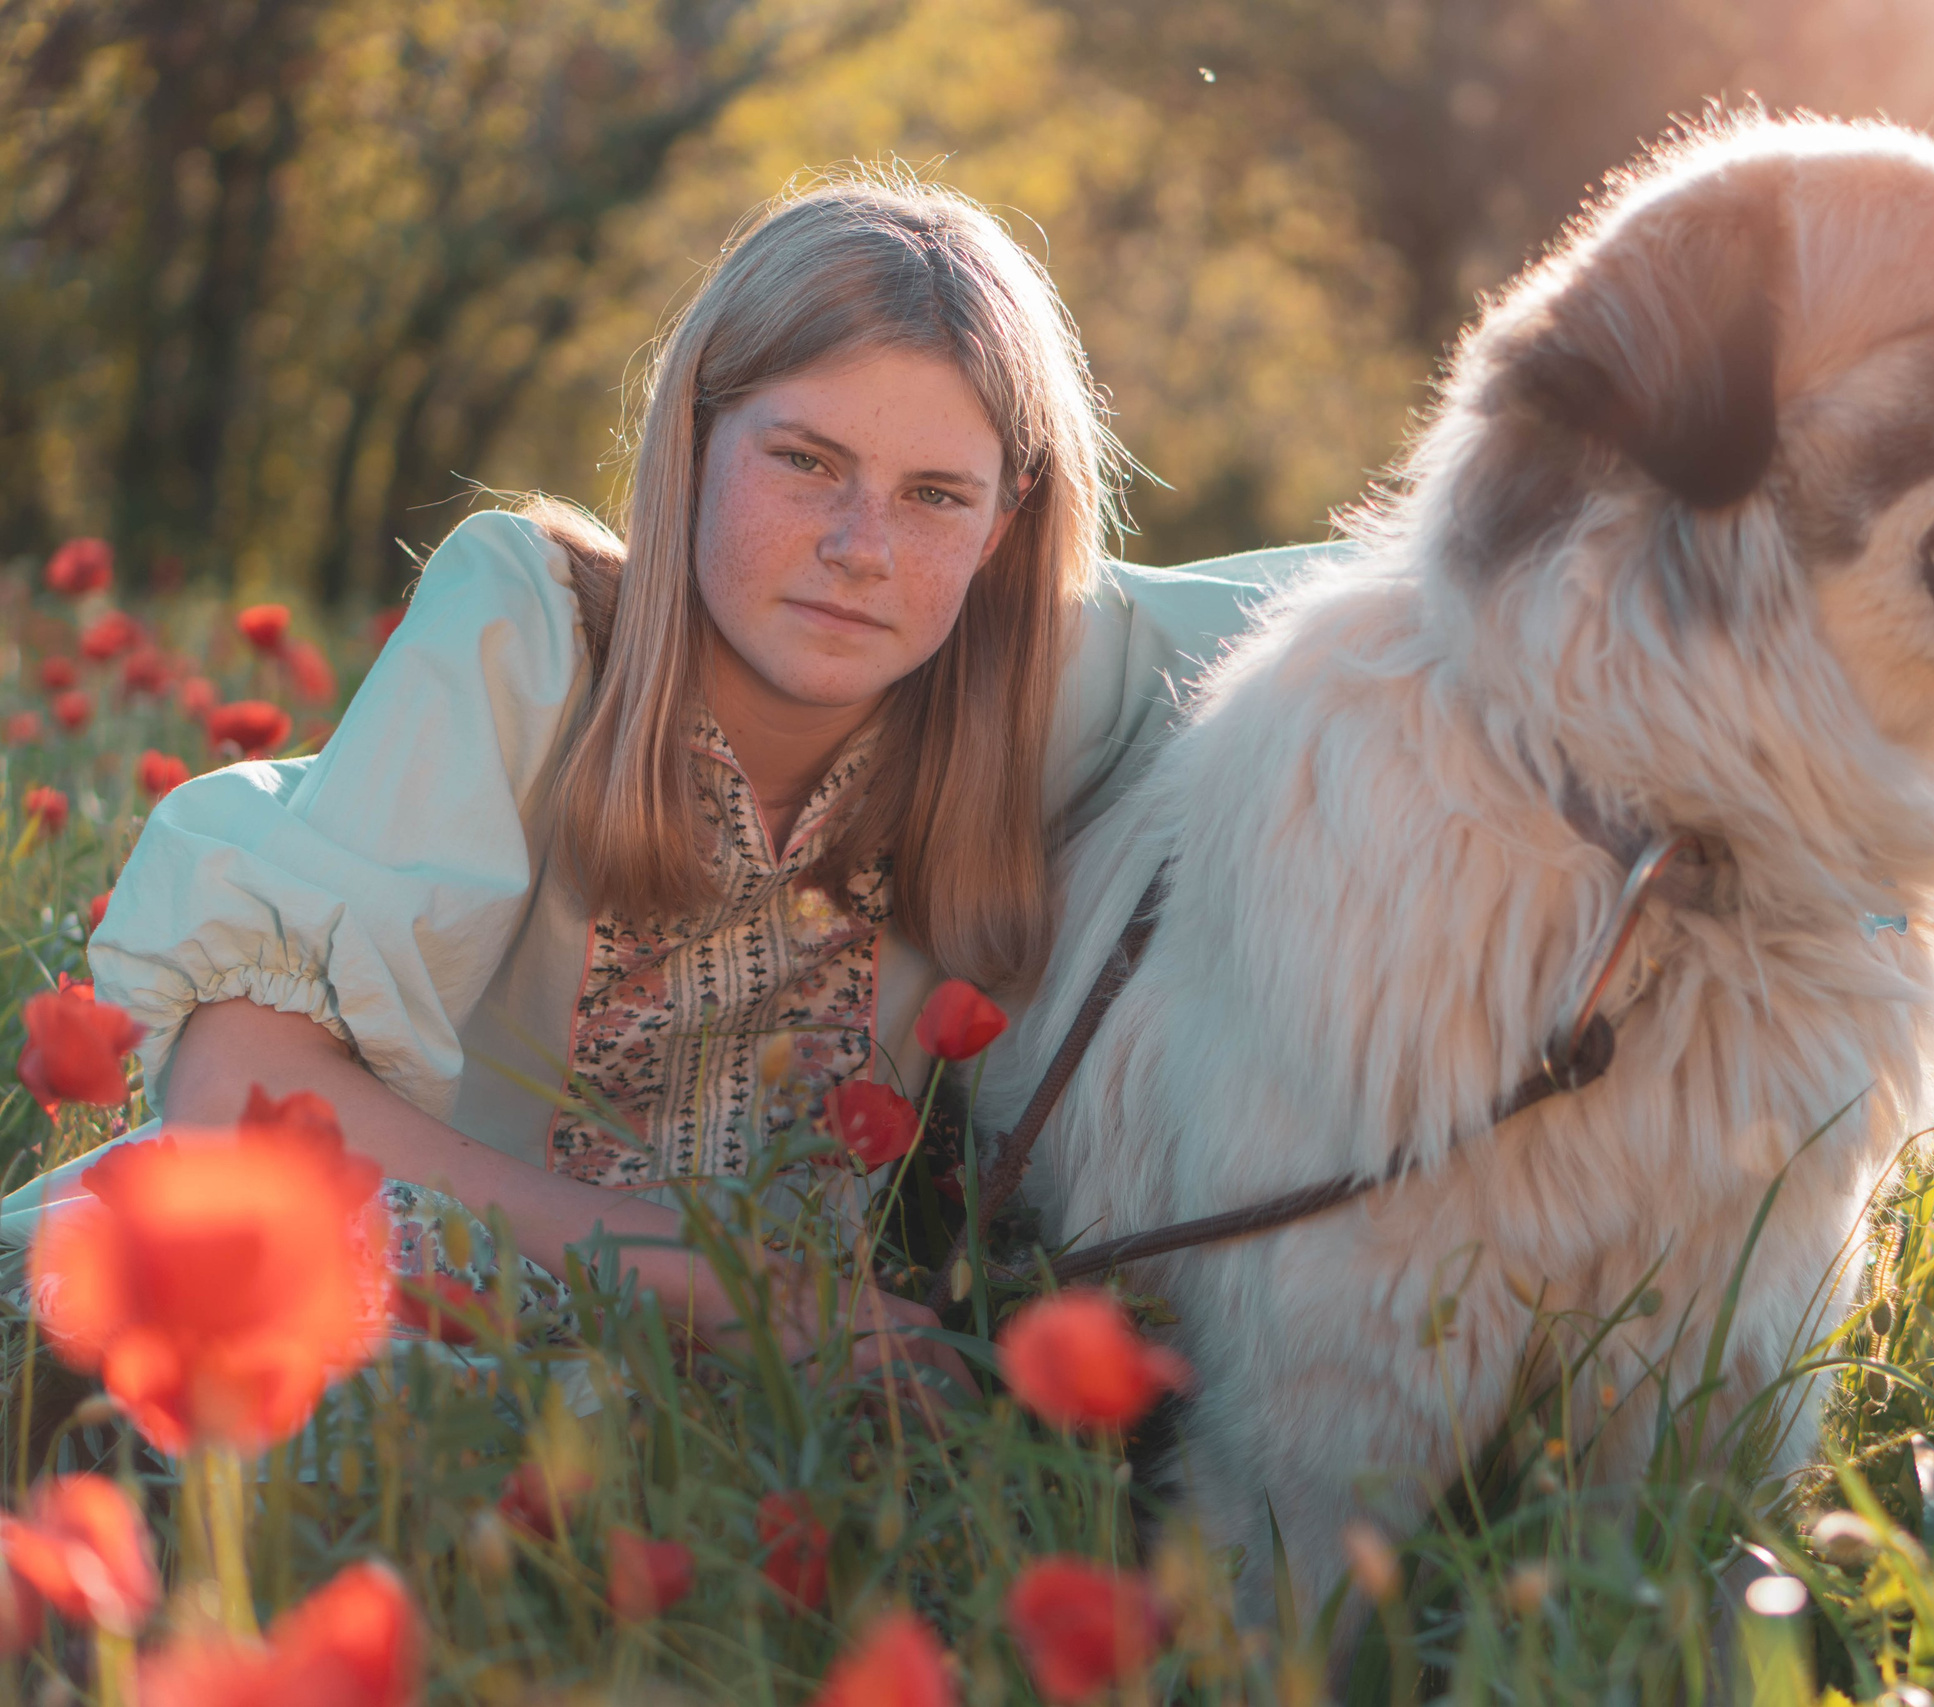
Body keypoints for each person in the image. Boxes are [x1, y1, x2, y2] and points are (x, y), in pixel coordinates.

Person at [78, 173, 1314, 1385]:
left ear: (1003, 525)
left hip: (778, 1437)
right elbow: (235, 1081)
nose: (860, 549)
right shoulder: (530, 637)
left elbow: (1414, 605)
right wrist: (713, 1285)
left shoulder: (1046, 685)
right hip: (379, 1327)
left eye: (936, 496)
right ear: (695, 438)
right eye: (806, 461)